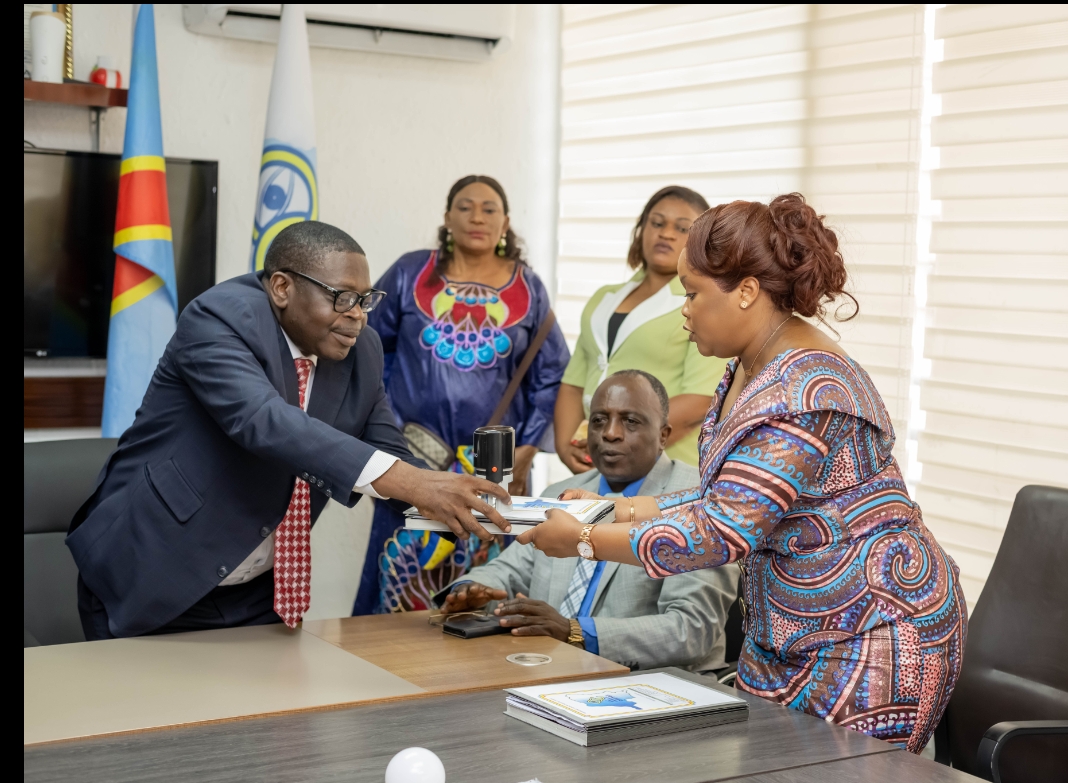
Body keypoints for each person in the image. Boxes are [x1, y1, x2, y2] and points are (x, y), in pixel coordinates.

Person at [519, 194, 968, 754]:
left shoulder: (805, 390)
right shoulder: (747, 366)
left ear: (747, 291)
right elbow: (725, 497)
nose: (684, 310)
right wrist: (612, 508)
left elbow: (721, 532)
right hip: (786, 631)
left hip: (870, 631)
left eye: (692, 293)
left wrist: (584, 540)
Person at [68, 221, 513, 640]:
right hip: (152, 566)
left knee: (268, 702)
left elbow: (388, 453)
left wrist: (475, 508)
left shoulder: (362, 350)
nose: (358, 316)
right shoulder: (218, 318)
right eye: (343, 298)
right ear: (282, 287)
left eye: (365, 300)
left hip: (259, 592)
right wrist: (417, 483)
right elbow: (265, 422)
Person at [354, 175, 568, 615]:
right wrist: (386, 428)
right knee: (399, 579)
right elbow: (368, 347)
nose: (477, 217)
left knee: (486, 585)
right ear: (447, 217)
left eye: (489, 209)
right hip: (414, 458)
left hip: (493, 466)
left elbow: (550, 375)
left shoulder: (528, 287)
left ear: (505, 222)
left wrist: (527, 450)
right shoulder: (410, 272)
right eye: (465, 207)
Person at [438, 370, 738, 672]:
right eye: (598, 420)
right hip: (549, 671)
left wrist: (574, 631)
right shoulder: (561, 495)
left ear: (663, 435)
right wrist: (472, 591)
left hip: (652, 685)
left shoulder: (698, 499)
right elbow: (509, 570)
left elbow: (691, 629)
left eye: (630, 421)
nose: (610, 433)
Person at [555, 186, 727, 473]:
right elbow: (573, 385)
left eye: (682, 228)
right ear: (641, 229)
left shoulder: (704, 305)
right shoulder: (603, 298)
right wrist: (565, 446)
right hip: (597, 460)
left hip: (665, 467)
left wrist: (615, 441)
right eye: (657, 223)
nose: (666, 233)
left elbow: (699, 399)